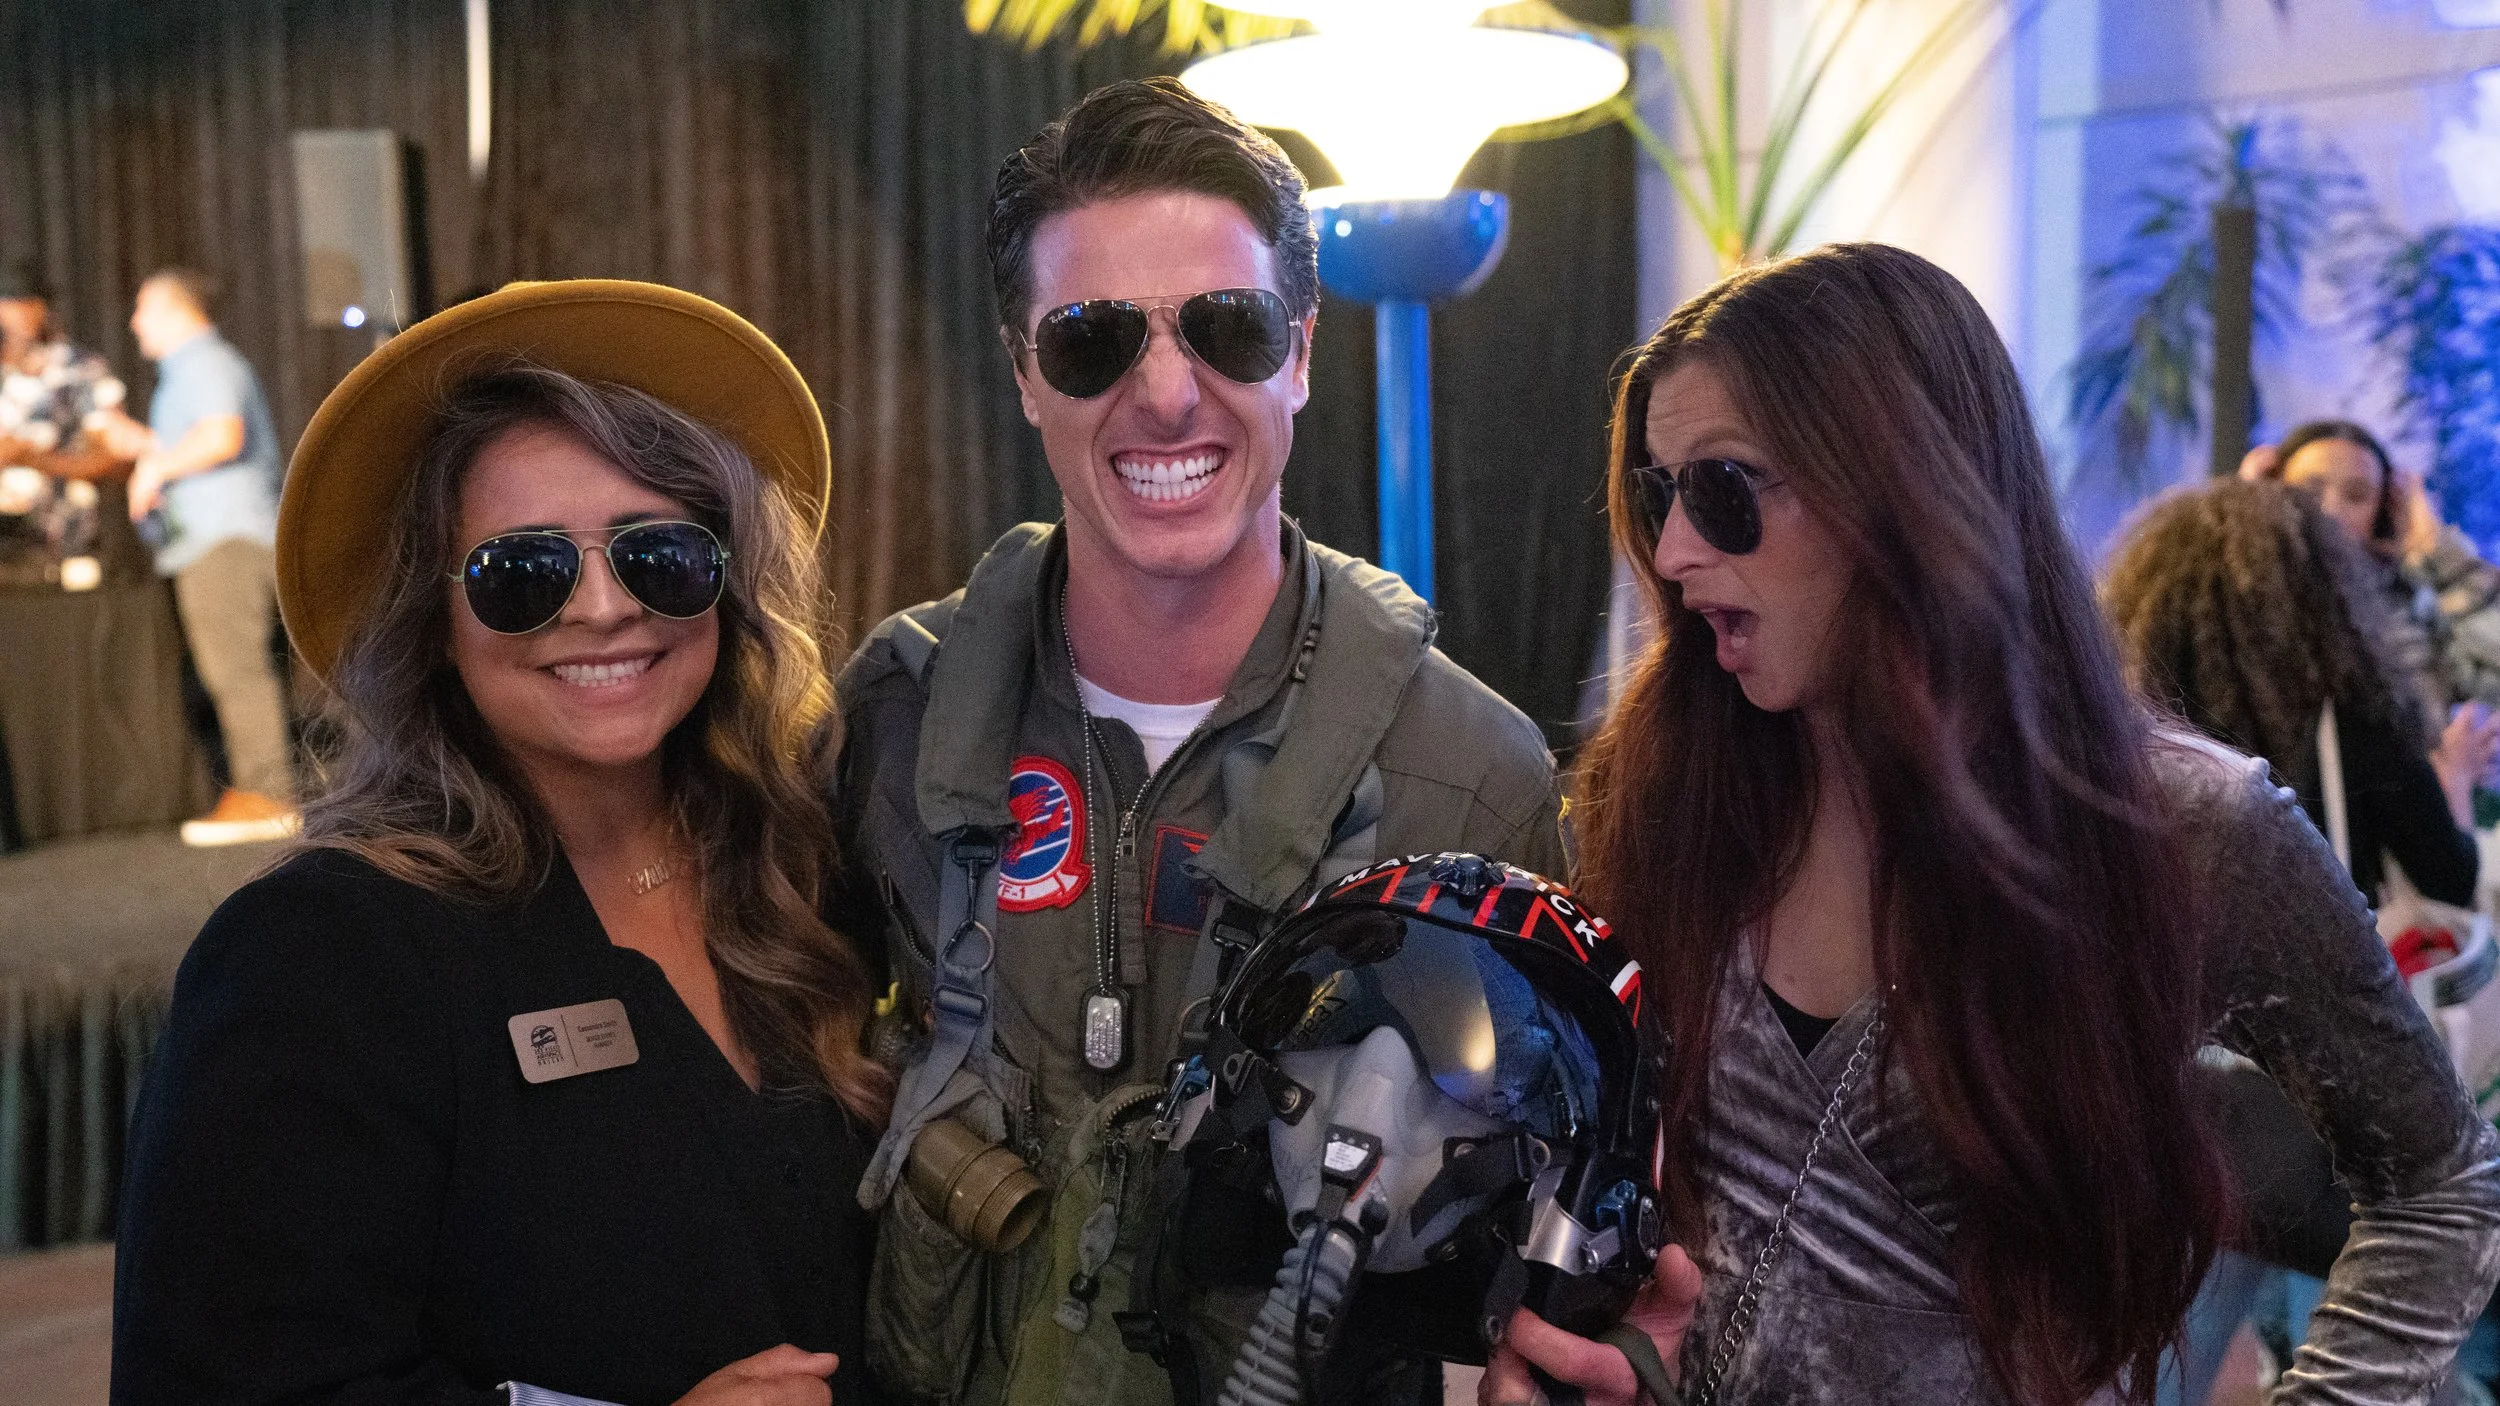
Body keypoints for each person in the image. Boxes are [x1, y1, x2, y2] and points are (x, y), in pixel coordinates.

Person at [1495, 243, 2500, 1406]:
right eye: (1661, 494)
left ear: (1901, 486)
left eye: (1724, 490)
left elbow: (2436, 1181)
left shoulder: (2174, 825)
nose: (1673, 551)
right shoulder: (1665, 797)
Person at [829, 77, 1567, 1406]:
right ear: (1022, 371)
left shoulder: (1474, 781)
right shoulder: (897, 716)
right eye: (1092, 340)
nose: (1165, 393)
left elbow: (1524, 1257)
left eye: (1226, 328)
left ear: (1298, 349)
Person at [113, 280, 886, 1406]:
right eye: (524, 573)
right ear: (432, 618)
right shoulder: (320, 955)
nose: (605, 608)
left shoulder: (805, 873)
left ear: (727, 583)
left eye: (659, 553)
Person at [2105, 477, 2482, 908]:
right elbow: (2449, 878)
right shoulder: (2357, 713)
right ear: (2328, 589)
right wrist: (2458, 776)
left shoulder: (2127, 741)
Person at [91, 268, 296, 845]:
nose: (134, 323)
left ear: (175, 311)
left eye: (141, 310)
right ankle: (257, 786)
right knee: (226, 669)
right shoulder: (192, 370)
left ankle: (270, 796)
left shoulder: (203, 362)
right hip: (213, 539)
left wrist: (156, 466)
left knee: (236, 670)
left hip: (224, 542)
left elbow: (223, 437)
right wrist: (143, 446)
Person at [0, 257, 125, 579]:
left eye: (26, 305)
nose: (17, 316)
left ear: (42, 310)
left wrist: (31, 457)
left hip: (63, 542)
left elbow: (111, 458)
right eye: (9, 305)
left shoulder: (79, 371)